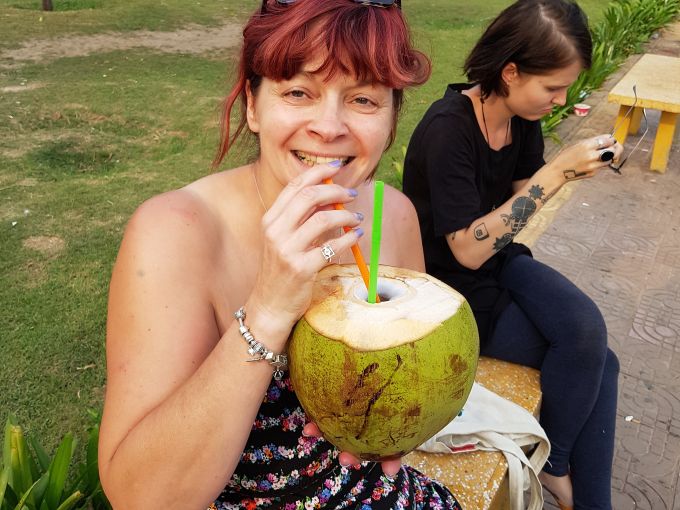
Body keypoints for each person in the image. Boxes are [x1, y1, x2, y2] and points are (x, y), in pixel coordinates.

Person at [98, 0, 463, 508]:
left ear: (391, 118)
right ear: (253, 105)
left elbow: (413, 382)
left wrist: (388, 420)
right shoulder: (175, 232)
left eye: (363, 99)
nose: (328, 127)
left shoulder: (391, 215)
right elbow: (140, 497)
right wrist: (268, 309)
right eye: (297, 92)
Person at [402, 1, 622, 509]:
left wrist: (570, 171)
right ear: (511, 71)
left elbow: (522, 198)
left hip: (503, 261)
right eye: (552, 87)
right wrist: (556, 173)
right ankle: (559, 469)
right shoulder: (447, 130)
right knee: (593, 353)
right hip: (453, 290)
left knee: (589, 342)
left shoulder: (522, 116)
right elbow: (466, 250)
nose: (560, 99)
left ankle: (569, 478)